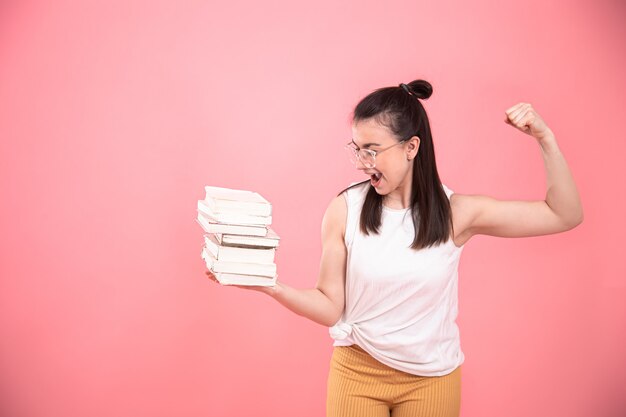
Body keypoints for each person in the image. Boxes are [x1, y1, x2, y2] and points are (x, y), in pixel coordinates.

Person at [205, 79, 584, 417]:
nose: (360, 163)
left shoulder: (458, 214)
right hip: (356, 373)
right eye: (356, 149)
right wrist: (269, 285)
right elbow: (329, 306)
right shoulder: (345, 210)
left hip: (431, 378)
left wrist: (544, 137)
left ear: (411, 147)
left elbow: (562, 214)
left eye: (371, 150)